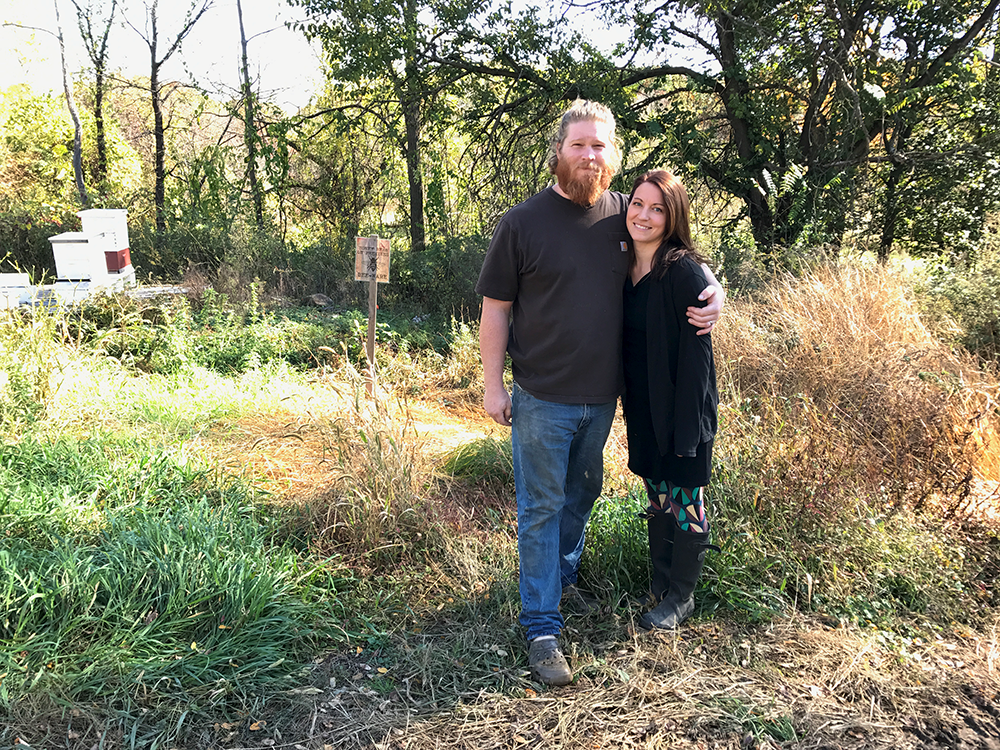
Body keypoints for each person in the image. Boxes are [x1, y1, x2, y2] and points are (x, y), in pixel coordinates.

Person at [476, 100, 724, 686]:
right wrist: (492, 385)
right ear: (559, 150)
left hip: (603, 402)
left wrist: (716, 288)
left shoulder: (622, 213)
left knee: (581, 496)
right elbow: (495, 311)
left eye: (601, 146)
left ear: (613, 156)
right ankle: (541, 625)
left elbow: (678, 252)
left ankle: (559, 582)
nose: (590, 156)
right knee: (539, 510)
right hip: (541, 397)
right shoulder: (522, 222)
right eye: (580, 144)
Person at [622, 170, 719, 631]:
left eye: (657, 209)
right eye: (638, 204)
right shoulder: (622, 264)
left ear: (672, 216)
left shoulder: (681, 270)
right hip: (643, 406)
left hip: (681, 409)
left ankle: (682, 598)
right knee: (657, 495)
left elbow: (700, 354)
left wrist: (689, 428)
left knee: (685, 497)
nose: (644, 215)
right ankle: (660, 587)